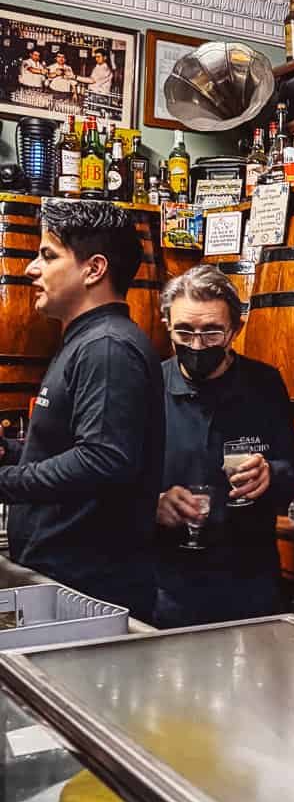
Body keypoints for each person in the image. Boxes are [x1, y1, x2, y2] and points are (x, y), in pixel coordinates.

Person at [0, 200, 163, 618]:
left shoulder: (106, 347)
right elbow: (73, 448)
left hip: (90, 590)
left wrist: (5, 481)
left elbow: (104, 459)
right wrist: (10, 453)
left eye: (48, 255)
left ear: (94, 269)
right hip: (66, 583)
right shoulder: (86, 342)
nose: (31, 269)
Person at [154, 264, 294, 627]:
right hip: (169, 587)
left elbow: (292, 474)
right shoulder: (148, 387)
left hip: (250, 584)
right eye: (184, 332)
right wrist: (152, 504)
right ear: (166, 325)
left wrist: (271, 474)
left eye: (212, 333)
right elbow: (116, 484)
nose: (196, 345)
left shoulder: (264, 385)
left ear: (236, 329)